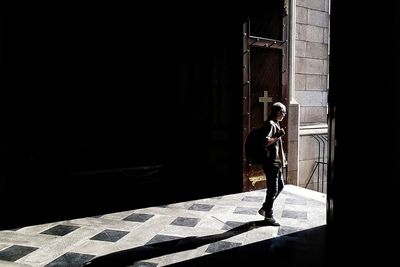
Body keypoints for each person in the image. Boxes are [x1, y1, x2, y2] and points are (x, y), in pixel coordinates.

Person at [258, 102, 287, 226]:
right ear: (278, 112)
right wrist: (277, 135)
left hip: (276, 162)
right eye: (283, 113)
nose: (284, 115)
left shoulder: (275, 123)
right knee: (273, 189)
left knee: (280, 186)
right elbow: (265, 142)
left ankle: (265, 208)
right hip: (271, 162)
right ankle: (268, 215)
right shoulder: (270, 124)